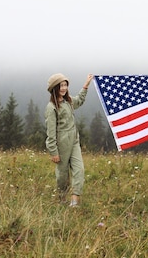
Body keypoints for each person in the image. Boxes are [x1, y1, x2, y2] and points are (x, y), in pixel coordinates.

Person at [45, 73, 94, 207]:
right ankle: (61, 199)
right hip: (61, 144)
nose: (64, 88)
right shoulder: (51, 108)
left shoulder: (68, 101)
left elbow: (79, 100)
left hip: (74, 141)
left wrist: (86, 85)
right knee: (62, 175)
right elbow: (50, 132)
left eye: (65, 85)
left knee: (79, 170)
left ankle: (74, 202)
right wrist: (53, 151)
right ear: (54, 88)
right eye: (61, 85)